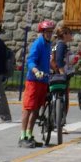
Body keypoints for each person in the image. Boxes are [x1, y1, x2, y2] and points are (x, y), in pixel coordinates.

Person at [19, 19, 54, 148]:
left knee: (36, 109)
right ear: (42, 32)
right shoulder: (38, 44)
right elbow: (31, 60)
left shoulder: (48, 44)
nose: (50, 34)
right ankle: (22, 136)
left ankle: (29, 134)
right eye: (47, 32)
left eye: (51, 31)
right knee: (28, 108)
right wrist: (36, 71)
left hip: (43, 81)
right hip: (34, 80)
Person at [50, 24, 74, 117]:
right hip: (61, 75)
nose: (71, 35)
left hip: (56, 74)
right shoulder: (61, 45)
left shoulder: (57, 44)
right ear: (64, 34)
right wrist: (62, 73)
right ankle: (60, 120)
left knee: (58, 98)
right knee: (63, 99)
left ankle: (57, 119)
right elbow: (59, 60)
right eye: (69, 33)